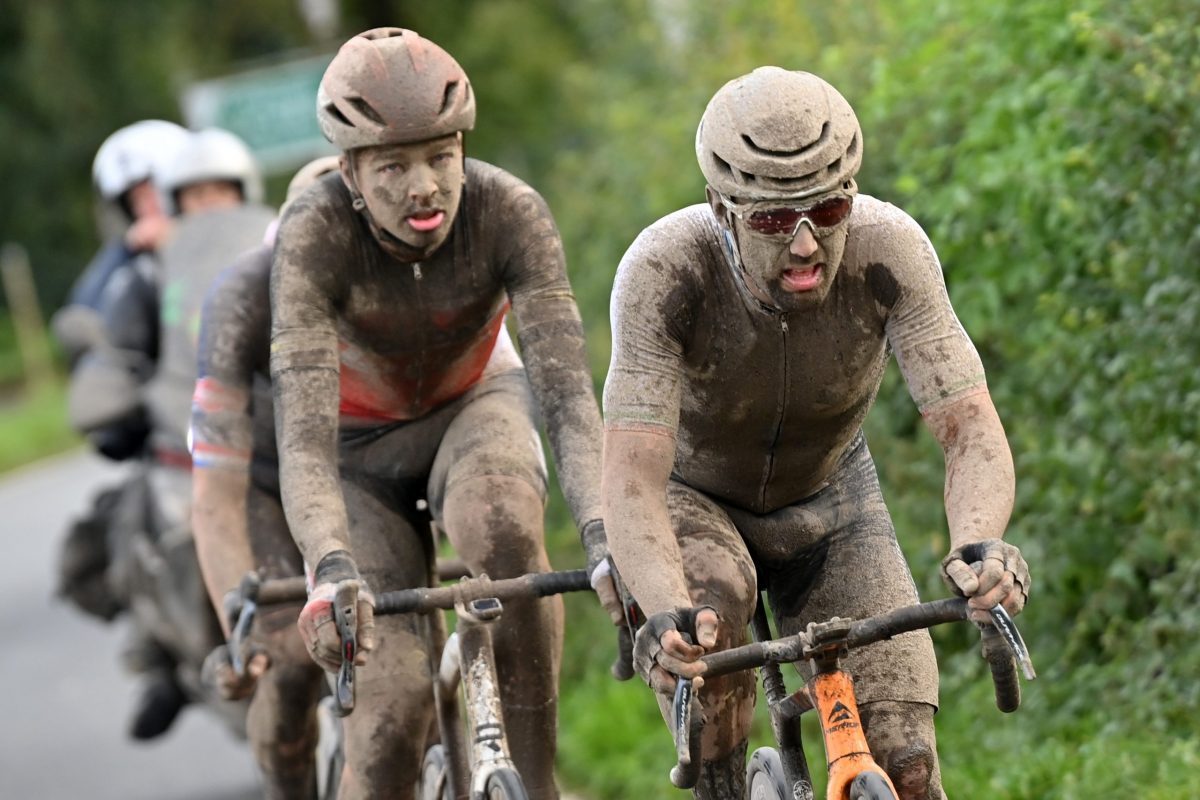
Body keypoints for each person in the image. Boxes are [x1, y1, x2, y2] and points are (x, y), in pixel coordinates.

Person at [602, 67, 1029, 800]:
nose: (805, 244)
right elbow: (632, 477)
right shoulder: (664, 271)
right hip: (695, 500)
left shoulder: (889, 250)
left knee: (908, 762)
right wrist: (666, 602)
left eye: (828, 210)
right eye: (772, 220)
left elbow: (969, 427)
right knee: (713, 690)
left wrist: (980, 544)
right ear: (721, 207)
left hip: (830, 499)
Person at [270, 28, 607, 800]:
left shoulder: (510, 211)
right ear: (350, 173)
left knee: (508, 534)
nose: (424, 186)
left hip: (472, 406)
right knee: (388, 726)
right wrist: (329, 568)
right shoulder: (314, 235)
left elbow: (566, 400)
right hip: (357, 453)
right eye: (393, 166)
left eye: (441, 157)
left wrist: (600, 535)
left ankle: (537, 781)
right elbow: (307, 444)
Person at [190, 157, 339, 798]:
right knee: (290, 666)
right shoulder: (244, 298)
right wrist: (242, 628)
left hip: (364, 475)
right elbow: (215, 502)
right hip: (264, 484)